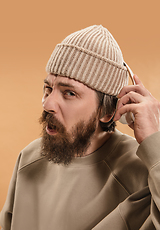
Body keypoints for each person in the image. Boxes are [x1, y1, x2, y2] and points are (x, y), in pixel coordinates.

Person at [0, 25, 160, 230]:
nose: (47, 104)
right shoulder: (29, 158)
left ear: (107, 112)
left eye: (69, 93)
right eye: (48, 88)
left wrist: (155, 143)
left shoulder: (144, 171)